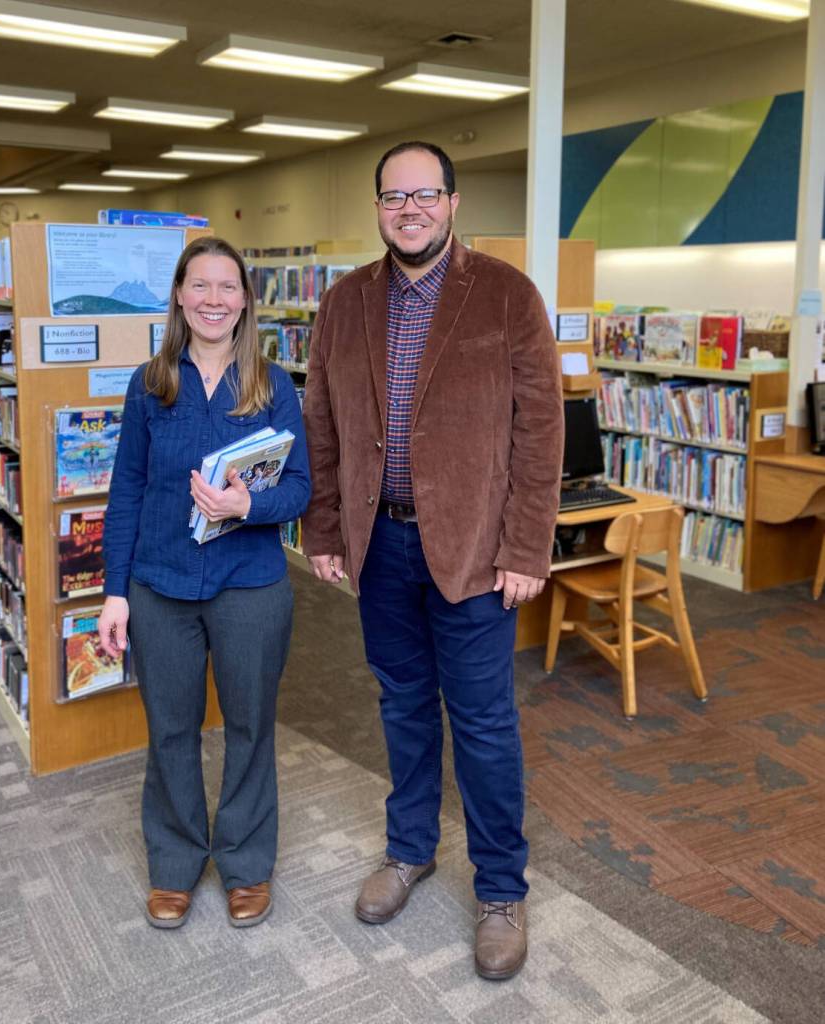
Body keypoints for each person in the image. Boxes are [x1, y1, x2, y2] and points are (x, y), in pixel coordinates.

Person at [301, 142, 563, 980]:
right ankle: (408, 849)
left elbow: (538, 430)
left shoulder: (505, 295)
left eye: (423, 195)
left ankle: (499, 891)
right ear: (376, 208)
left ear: (452, 202)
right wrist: (325, 531)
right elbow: (322, 425)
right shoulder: (344, 302)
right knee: (403, 706)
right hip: (380, 548)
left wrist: (526, 546)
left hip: (477, 554)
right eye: (391, 197)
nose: (407, 209)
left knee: (483, 725)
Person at [98, 236, 310, 931]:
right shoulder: (150, 382)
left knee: (249, 727)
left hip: (249, 584)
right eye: (200, 285)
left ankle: (246, 864)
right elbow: (126, 489)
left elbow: (302, 489)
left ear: (246, 299)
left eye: (228, 287)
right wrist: (114, 591)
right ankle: (175, 866)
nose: (214, 299)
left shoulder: (273, 386)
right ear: (180, 296)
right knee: (170, 730)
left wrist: (249, 506)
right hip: (159, 585)